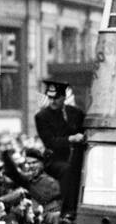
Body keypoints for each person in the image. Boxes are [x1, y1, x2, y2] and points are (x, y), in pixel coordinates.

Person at [34, 79, 85, 216]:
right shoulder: (42, 117)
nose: (53, 101)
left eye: (56, 98)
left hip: (76, 157)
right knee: (67, 170)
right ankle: (69, 210)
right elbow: (50, 142)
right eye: (50, 98)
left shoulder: (76, 113)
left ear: (63, 97)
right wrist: (71, 139)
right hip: (56, 160)